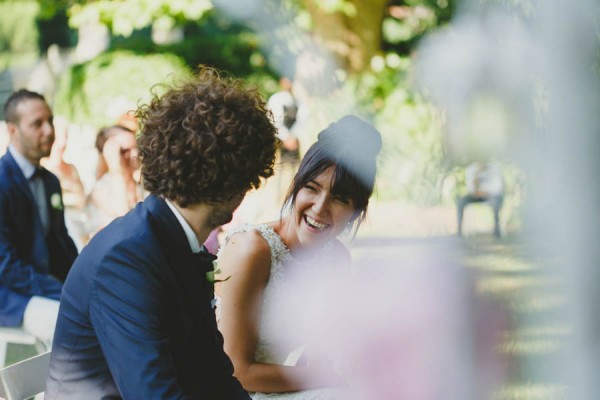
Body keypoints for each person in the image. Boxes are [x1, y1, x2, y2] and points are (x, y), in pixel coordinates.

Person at [45, 67, 278, 399]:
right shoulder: (126, 257)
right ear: (231, 178)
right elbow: (153, 394)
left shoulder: (175, 239)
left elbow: (213, 371)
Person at [216, 115, 382, 399]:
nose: (319, 209)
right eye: (312, 188)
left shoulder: (336, 260)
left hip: (288, 388)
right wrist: (332, 378)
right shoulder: (252, 249)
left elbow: (320, 356)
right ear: (296, 184)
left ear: (356, 211)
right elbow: (236, 371)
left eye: (340, 199)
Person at [0, 89, 78, 345]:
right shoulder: (2, 182)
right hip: (10, 297)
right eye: (37, 124)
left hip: (45, 288)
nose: (48, 130)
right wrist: (60, 291)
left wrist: (84, 278)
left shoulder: (51, 181)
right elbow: (5, 265)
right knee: (69, 322)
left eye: (50, 121)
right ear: (12, 130)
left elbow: (61, 244)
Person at [41, 117, 88, 250]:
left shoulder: (71, 168)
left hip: (81, 220)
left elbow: (82, 198)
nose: (62, 144)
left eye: (65, 138)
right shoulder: (43, 170)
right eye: (58, 139)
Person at [88, 124, 144, 233]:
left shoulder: (142, 182)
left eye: (136, 147)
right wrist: (116, 168)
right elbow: (124, 216)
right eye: (124, 150)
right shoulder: (100, 190)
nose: (135, 154)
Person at [456, 161, 504, 237]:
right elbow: (471, 190)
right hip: (477, 195)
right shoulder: (471, 169)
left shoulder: (494, 168)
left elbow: (497, 188)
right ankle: (459, 230)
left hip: (491, 195)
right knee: (461, 201)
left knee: (495, 201)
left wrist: (486, 192)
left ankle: (497, 230)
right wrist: (477, 174)